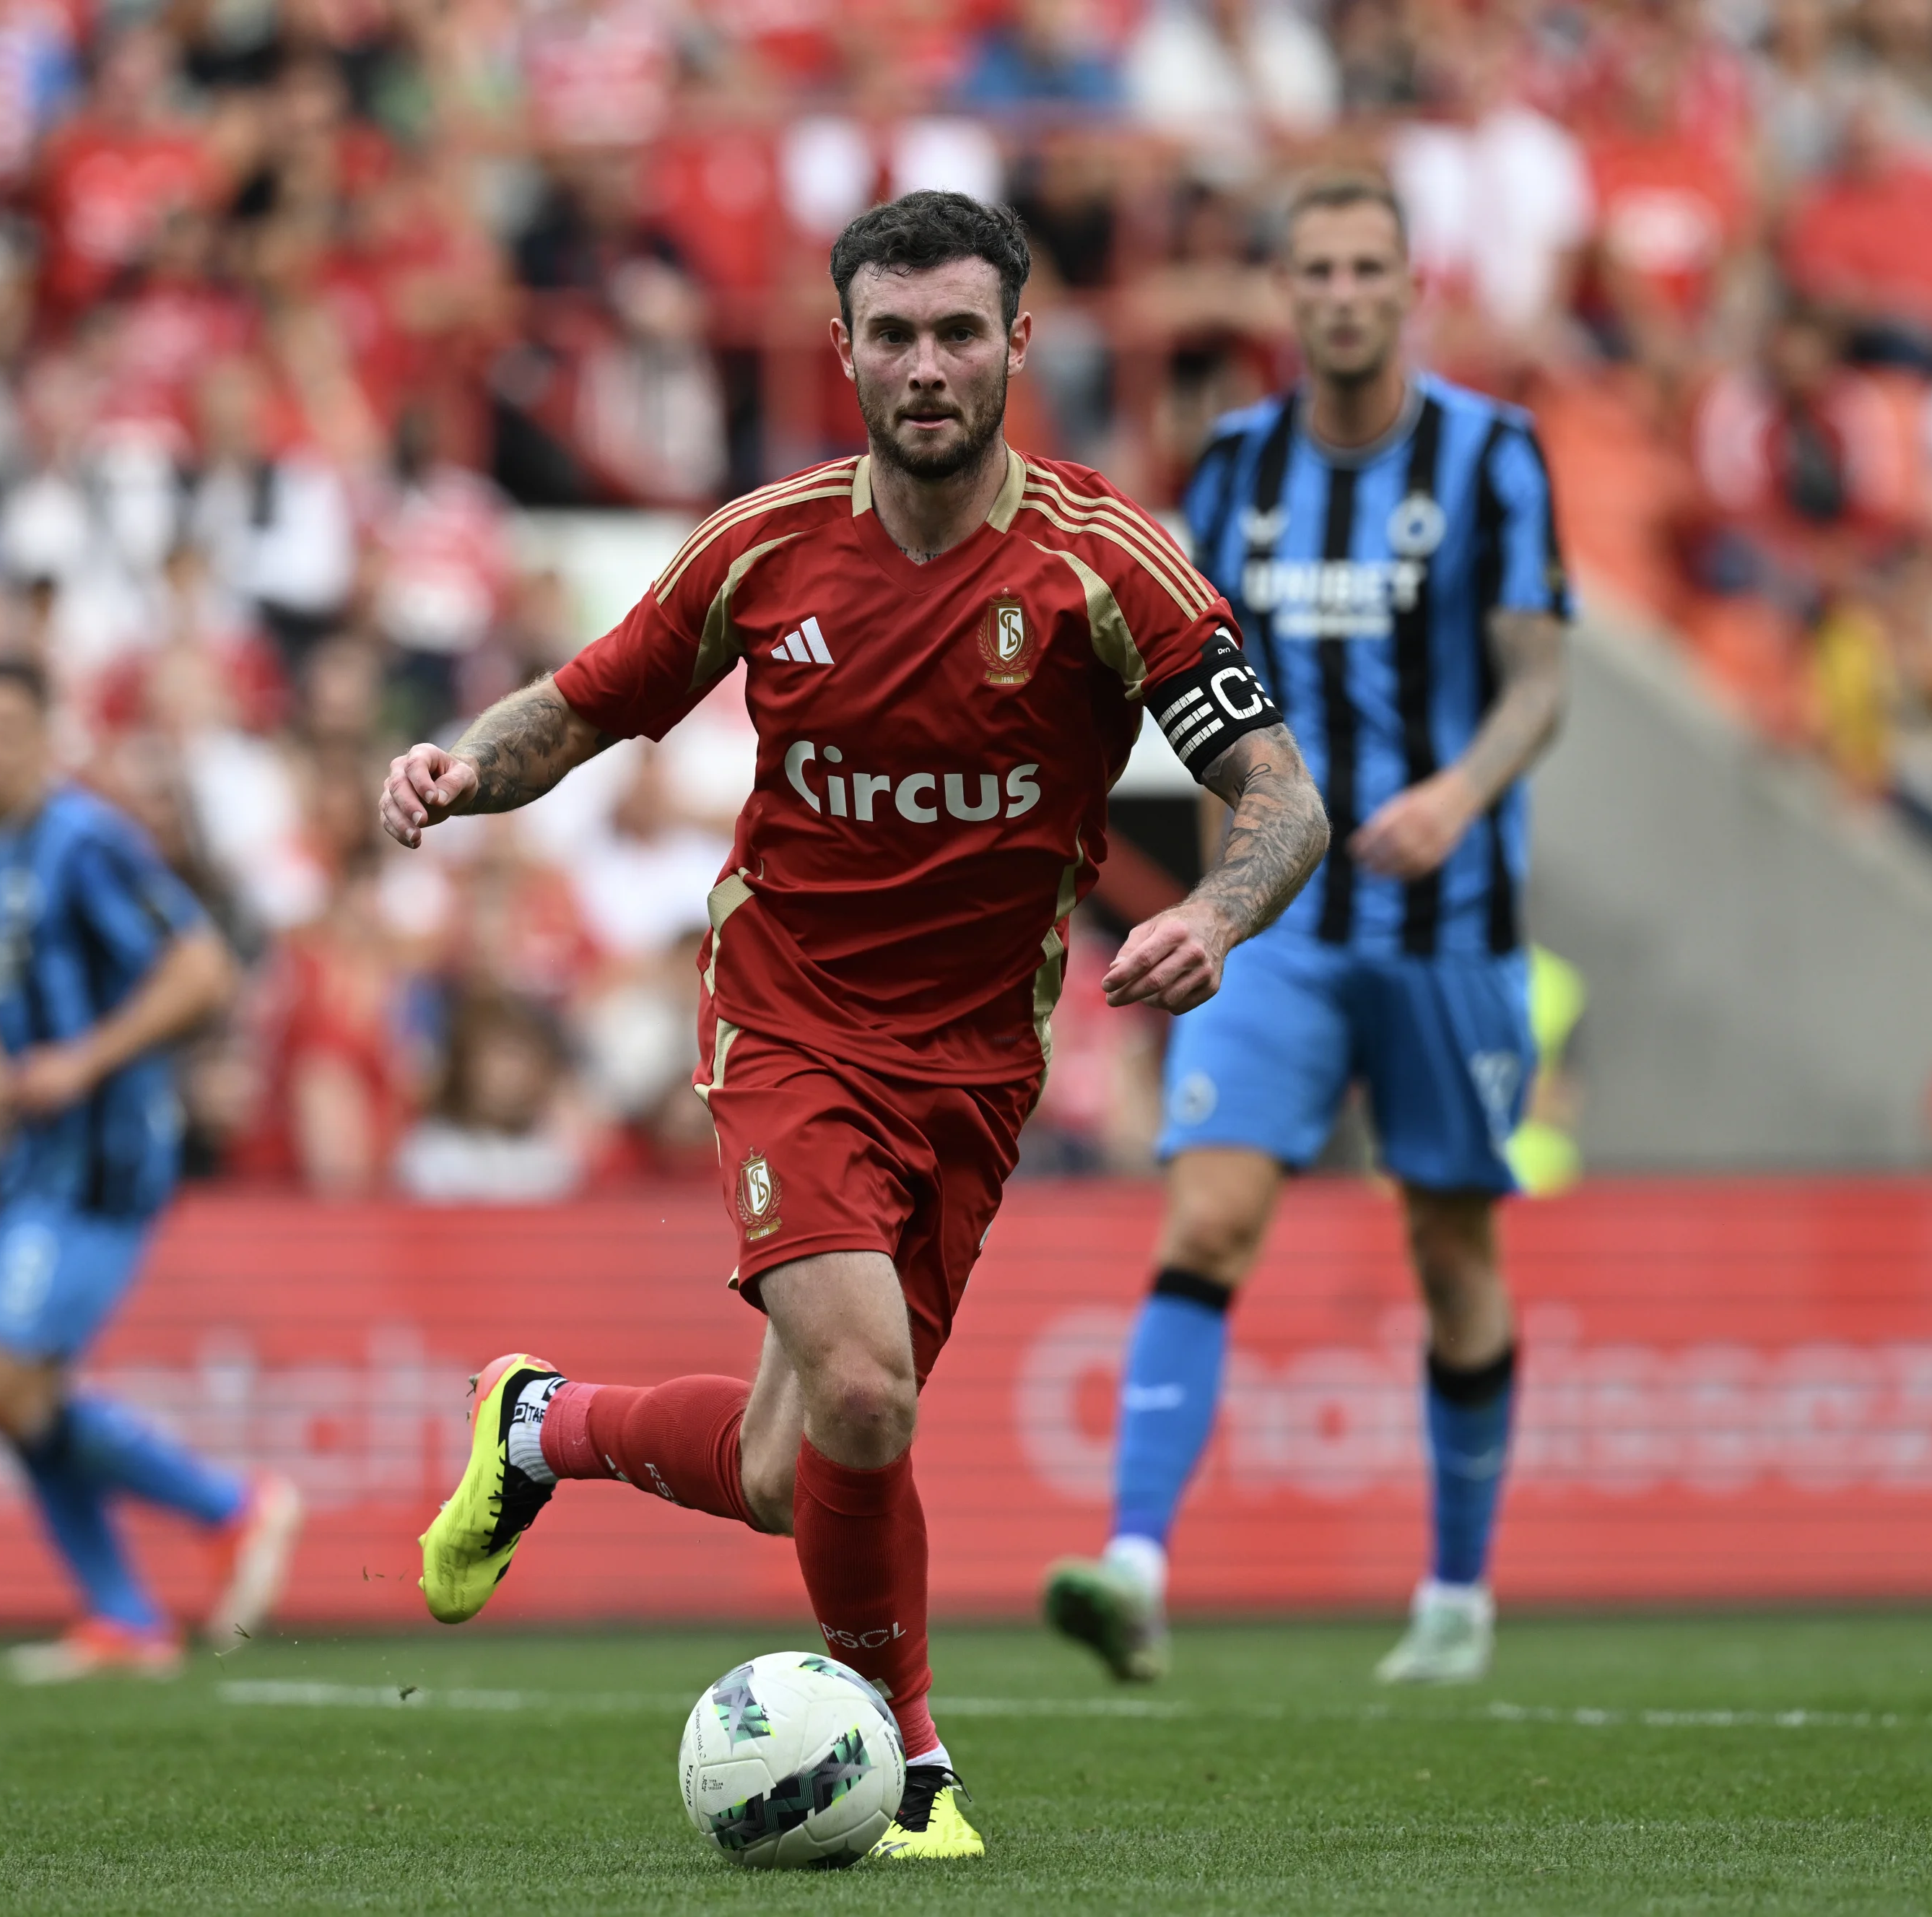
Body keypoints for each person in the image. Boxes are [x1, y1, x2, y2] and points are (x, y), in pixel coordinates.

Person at [378, 191, 1327, 1860]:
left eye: (961, 331)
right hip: (789, 1024)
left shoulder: (1108, 570)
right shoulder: (765, 545)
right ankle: (912, 1760)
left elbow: (1279, 795)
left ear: (1020, 344)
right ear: (843, 351)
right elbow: (587, 704)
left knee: (785, 1465)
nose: (928, 365)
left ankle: (540, 1423)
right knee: (869, 1399)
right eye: (893, 335)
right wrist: (467, 766)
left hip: (977, 1069)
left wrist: (1212, 910)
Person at [1040, 174, 1572, 1688]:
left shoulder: (1494, 457)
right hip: (1281, 927)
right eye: (1316, 270)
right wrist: (1215, 905)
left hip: (1452, 920)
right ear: (1288, 294)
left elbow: (1541, 677)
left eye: (1367, 268)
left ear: (1413, 288)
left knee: (1449, 1239)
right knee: (1206, 1217)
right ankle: (1135, 1564)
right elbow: (1208, 689)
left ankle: (1458, 1594)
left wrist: (1460, 796)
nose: (1341, 294)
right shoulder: (1235, 468)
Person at [0, 657, 301, 1682]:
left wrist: (82, 1060)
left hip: (101, 1153)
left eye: (6, 725)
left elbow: (200, 967)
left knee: (9, 1386)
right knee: (17, 1393)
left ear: (46, 734)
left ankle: (231, 1508)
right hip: (24, 1162)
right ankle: (124, 1615)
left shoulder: (84, 839)